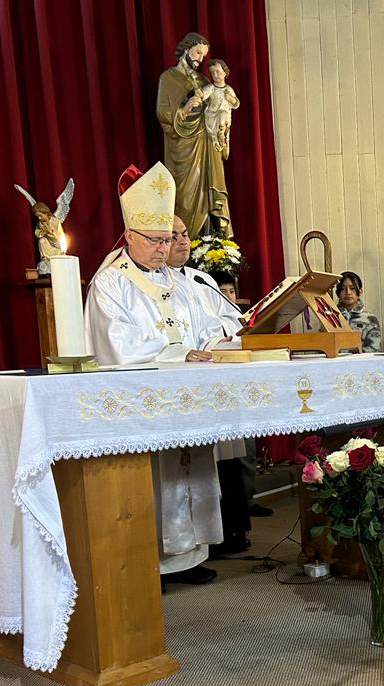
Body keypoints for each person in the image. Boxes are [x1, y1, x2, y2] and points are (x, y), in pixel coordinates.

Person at [84, 162, 235, 586]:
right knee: (158, 477)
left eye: (167, 240)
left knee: (193, 468)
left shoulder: (182, 282)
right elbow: (116, 341)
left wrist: (213, 345)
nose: (161, 248)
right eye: (153, 240)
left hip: (188, 396)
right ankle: (153, 561)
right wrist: (176, 352)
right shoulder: (111, 283)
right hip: (144, 399)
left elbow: (209, 325)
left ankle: (190, 555)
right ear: (130, 235)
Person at [165, 216, 256, 554]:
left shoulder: (201, 279)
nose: (182, 242)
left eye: (185, 235)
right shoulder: (156, 285)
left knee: (227, 454)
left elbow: (233, 319)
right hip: (183, 380)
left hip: (215, 376)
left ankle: (233, 530)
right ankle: (192, 542)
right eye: (172, 237)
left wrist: (220, 333)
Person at [157, 32, 231, 239]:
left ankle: (211, 247)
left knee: (209, 196)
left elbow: (215, 109)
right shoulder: (168, 78)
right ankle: (187, 244)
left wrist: (221, 126)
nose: (200, 58)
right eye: (198, 52)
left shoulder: (202, 80)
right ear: (186, 49)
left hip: (207, 146)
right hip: (184, 151)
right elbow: (162, 113)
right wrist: (187, 106)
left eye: (203, 55)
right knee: (186, 198)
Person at [199, 58, 240, 156]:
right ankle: (219, 137)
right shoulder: (211, 88)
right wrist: (199, 94)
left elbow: (236, 104)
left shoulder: (228, 89)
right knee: (221, 114)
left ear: (225, 73)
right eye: (212, 73)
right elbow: (203, 95)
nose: (215, 75)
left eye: (217, 72)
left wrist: (230, 99)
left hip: (224, 119)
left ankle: (222, 134)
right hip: (212, 116)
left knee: (223, 113)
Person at [335, 271, 381, 352]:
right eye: (343, 289)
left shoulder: (370, 319)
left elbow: (373, 349)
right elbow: (322, 346)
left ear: (360, 291)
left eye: (352, 288)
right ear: (337, 293)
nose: (348, 292)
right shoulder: (329, 317)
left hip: (361, 363)